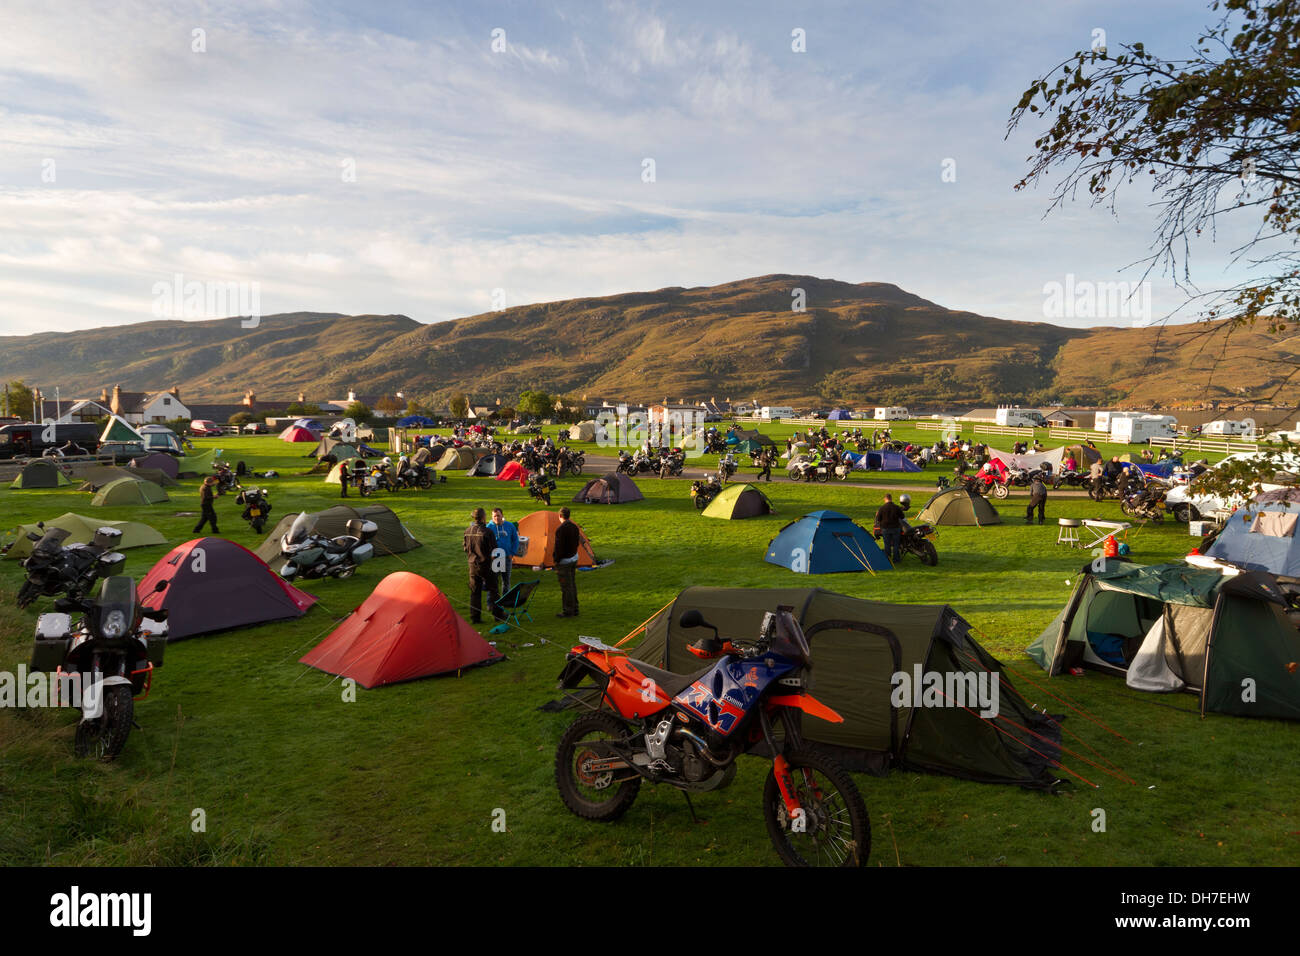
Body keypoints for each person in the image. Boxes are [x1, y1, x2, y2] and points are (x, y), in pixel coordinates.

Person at [463, 508, 502, 624]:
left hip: (472, 565)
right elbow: (494, 551)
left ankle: (475, 617)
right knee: (494, 590)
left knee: (475, 592)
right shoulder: (487, 532)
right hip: (486, 565)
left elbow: (465, 548)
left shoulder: (467, 531)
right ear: (483, 517)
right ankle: (498, 615)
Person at [553, 506, 581, 618]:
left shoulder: (561, 529)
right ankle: (575, 608)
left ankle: (568, 611)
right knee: (572, 584)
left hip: (564, 562)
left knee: (566, 587)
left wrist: (556, 560)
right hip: (574, 558)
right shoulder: (575, 527)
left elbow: (558, 548)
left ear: (560, 516)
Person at [489, 507, 520, 598]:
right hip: (495, 558)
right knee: (493, 581)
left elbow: (515, 540)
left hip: (507, 557)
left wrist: (512, 553)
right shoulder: (489, 527)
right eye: (494, 516)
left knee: (506, 581)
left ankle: (505, 600)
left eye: (498, 515)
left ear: (502, 515)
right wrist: (490, 554)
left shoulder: (510, 526)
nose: (496, 518)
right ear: (492, 517)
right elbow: (485, 543)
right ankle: (491, 602)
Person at [874, 493, 906, 564]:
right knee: (896, 544)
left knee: (887, 544)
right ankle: (896, 560)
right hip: (896, 528)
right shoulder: (896, 507)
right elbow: (902, 517)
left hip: (885, 528)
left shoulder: (882, 508)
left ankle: (888, 559)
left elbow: (878, 519)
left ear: (885, 499)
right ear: (891, 499)